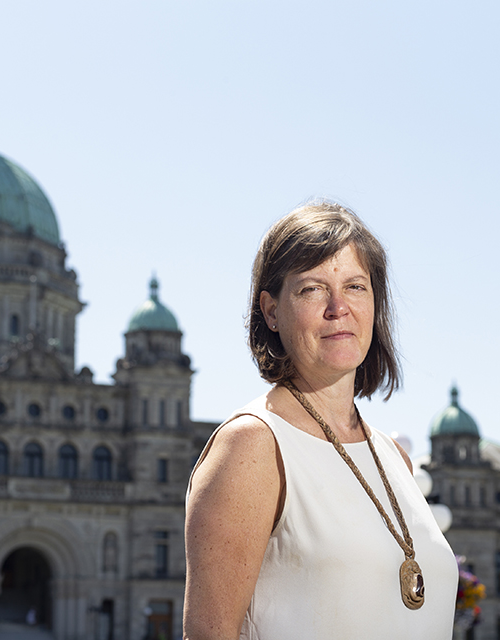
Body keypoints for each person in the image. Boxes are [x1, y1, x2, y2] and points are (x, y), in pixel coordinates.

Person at [183, 200, 458, 639]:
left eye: (355, 286)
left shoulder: (395, 460)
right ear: (271, 311)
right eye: (312, 289)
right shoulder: (252, 447)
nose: (338, 307)